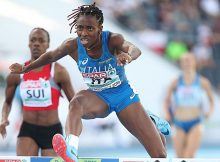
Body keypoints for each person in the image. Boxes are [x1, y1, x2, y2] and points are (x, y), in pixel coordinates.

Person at [9, 3, 170, 161]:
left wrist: (128, 56)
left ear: (100, 28)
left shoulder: (113, 39)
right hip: (98, 96)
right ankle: (71, 149)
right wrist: (25, 68)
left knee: (159, 155)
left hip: (123, 97)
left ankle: (149, 119)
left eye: (90, 28)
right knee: (76, 103)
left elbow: (135, 49)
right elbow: (50, 56)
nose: (83, 33)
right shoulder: (71, 45)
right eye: (80, 28)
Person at [0, 28, 75, 156]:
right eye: (33, 40)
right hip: (28, 130)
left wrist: (73, 131)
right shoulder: (17, 74)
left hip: (52, 131)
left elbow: (74, 103)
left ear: (47, 45)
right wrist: (4, 119)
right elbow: (7, 101)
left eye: (41, 40)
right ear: (29, 44)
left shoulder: (58, 71)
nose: (36, 44)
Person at [163, 53, 214, 158]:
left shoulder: (203, 82)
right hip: (178, 124)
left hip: (195, 123)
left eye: (189, 60)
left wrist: (209, 111)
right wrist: (167, 113)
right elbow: (166, 100)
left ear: (194, 62)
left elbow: (211, 101)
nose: (187, 63)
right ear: (181, 64)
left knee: (188, 156)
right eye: (184, 60)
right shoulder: (175, 82)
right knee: (180, 158)